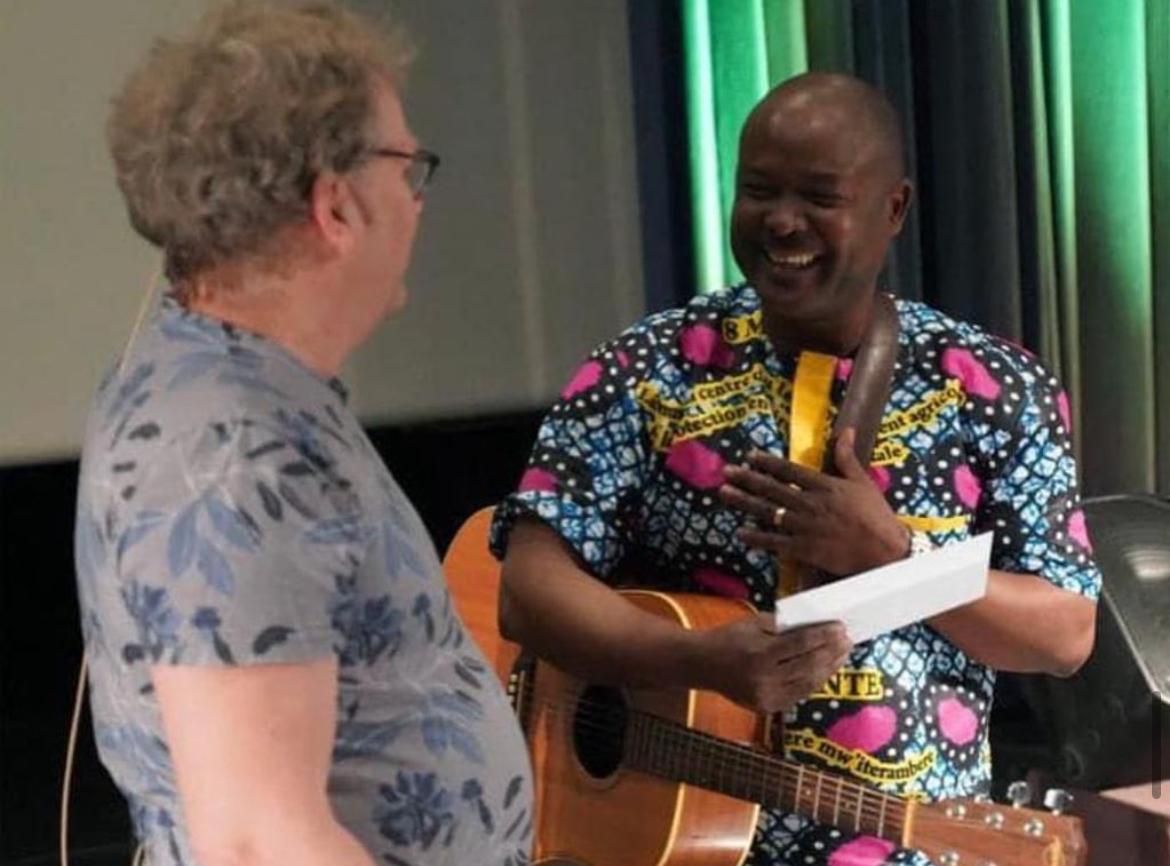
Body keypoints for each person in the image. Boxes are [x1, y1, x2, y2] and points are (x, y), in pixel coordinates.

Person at [490, 72, 1099, 866]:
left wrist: (896, 558)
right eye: (758, 190)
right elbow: (528, 587)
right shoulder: (646, 368)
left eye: (818, 196)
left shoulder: (992, 387)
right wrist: (697, 660)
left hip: (910, 848)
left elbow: (1064, 632)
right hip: (672, 843)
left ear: (894, 209)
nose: (781, 221)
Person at [74, 4, 533, 865]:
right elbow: (257, 843)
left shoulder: (246, 391)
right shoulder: (230, 447)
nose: (417, 200)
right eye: (407, 168)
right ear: (336, 206)